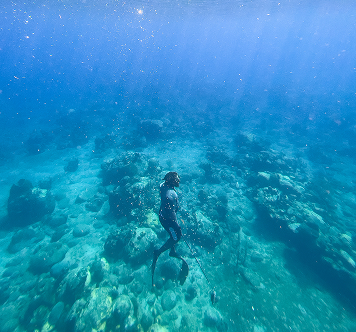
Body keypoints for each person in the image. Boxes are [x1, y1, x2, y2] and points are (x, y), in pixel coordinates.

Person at [151, 171, 189, 286]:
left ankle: (172, 250)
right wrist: (178, 228)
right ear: (172, 181)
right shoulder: (171, 195)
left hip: (162, 215)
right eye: (177, 179)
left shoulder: (163, 186)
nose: (179, 180)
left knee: (172, 234)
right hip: (168, 220)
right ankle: (158, 252)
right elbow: (172, 217)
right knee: (177, 236)